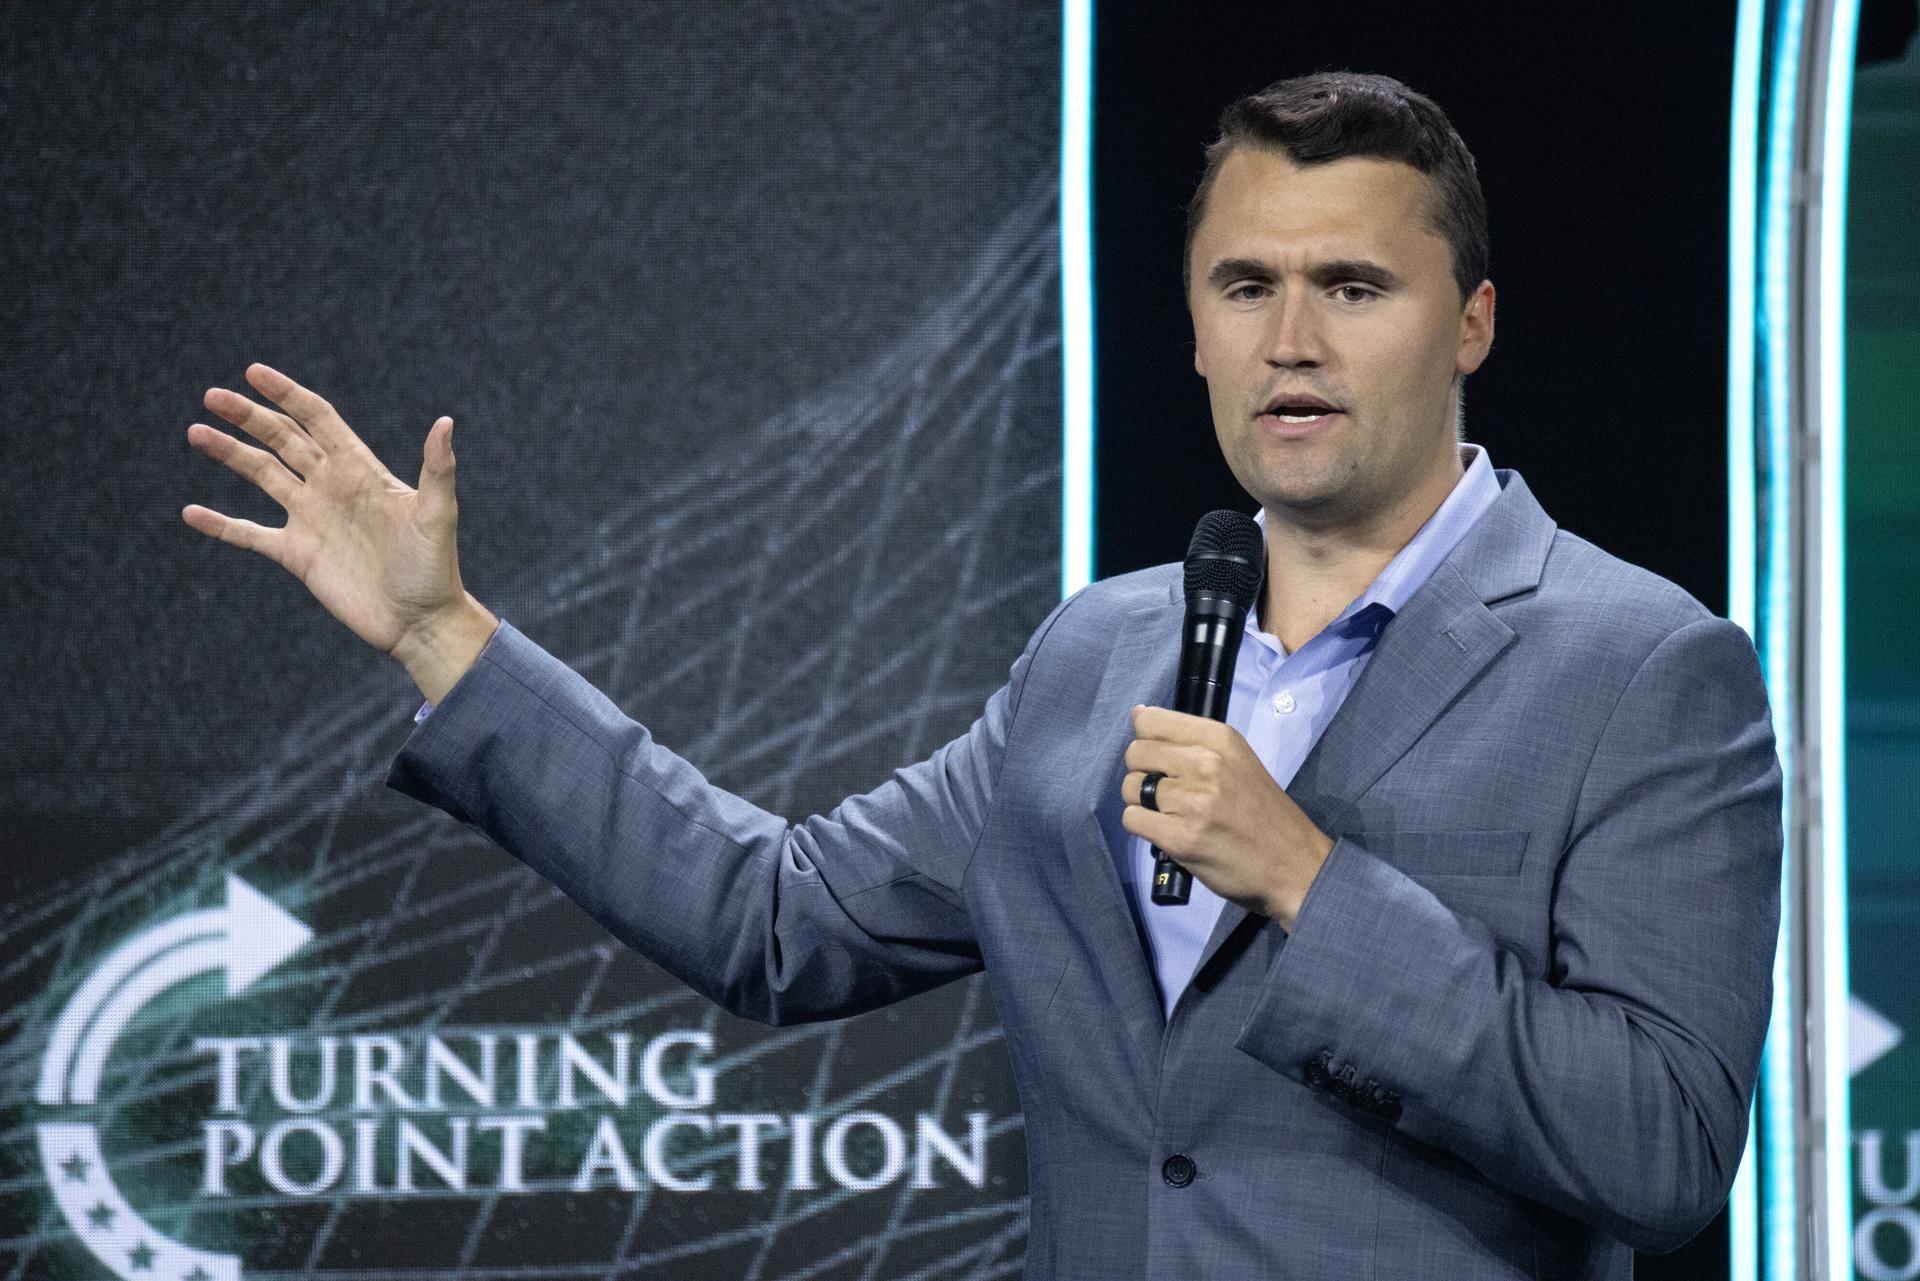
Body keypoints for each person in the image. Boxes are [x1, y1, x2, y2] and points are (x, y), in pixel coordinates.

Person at [182, 71, 1782, 1280]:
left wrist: (1310, 879)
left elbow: (1662, 1147)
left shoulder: (1647, 668)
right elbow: (774, 916)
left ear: (1472, 323)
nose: (1291, 338)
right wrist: (441, 634)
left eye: (1353, 288)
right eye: (1246, 286)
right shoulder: (1098, 652)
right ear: (1197, 328)